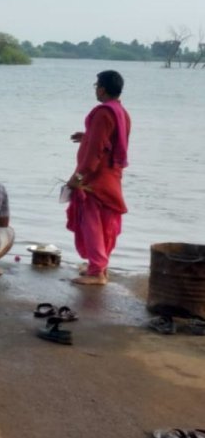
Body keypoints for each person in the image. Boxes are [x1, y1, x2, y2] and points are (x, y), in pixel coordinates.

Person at [65, 70, 131, 285]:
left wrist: (79, 176)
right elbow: (112, 141)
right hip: (112, 174)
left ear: (102, 88)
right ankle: (100, 266)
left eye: (96, 86)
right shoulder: (121, 112)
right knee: (105, 222)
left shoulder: (103, 113)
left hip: (96, 177)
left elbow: (96, 151)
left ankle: (96, 272)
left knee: (91, 221)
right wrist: (87, 136)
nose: (96, 89)